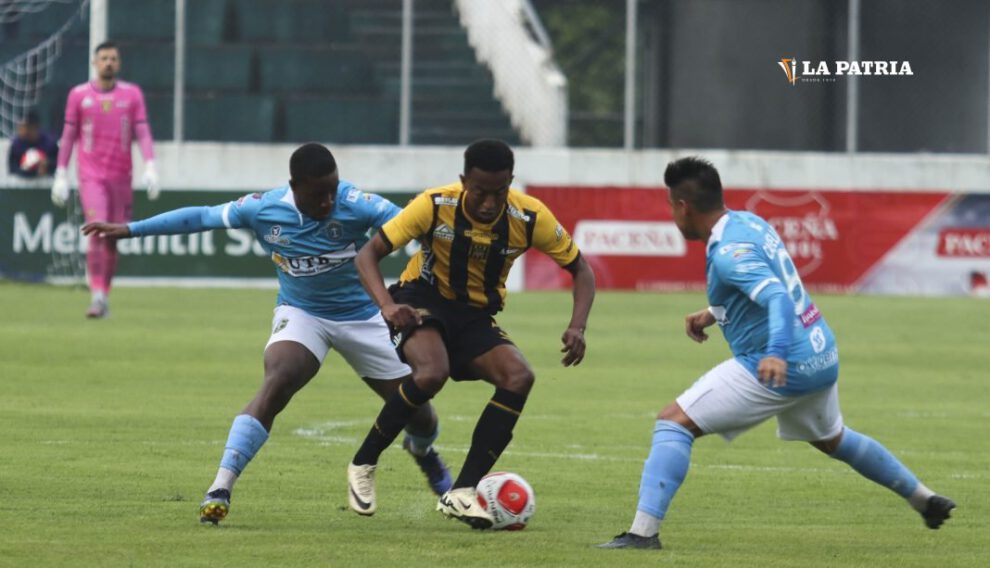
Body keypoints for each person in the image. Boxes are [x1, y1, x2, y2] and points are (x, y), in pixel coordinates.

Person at [81, 143, 452, 524]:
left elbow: (412, 225)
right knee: (279, 378)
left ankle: (424, 454)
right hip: (303, 313)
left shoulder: (356, 203)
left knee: (420, 416)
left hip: (366, 317)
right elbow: (202, 217)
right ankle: (220, 487)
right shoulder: (264, 208)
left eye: (333, 189)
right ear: (294, 186)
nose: (328, 201)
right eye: (317, 193)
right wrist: (131, 229)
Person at [596, 157, 956, 550]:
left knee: (673, 423)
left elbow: (776, 297)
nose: (672, 215)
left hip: (782, 363)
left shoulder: (727, 252)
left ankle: (642, 534)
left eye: (671, 205)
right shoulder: (748, 222)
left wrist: (776, 353)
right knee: (833, 438)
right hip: (821, 353)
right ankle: (924, 499)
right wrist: (714, 314)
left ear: (683, 206)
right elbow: (769, 283)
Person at [347, 139, 597, 529]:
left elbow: (581, 269)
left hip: (476, 315)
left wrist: (577, 326)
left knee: (519, 377)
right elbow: (367, 255)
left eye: (498, 193)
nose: (487, 203)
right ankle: (364, 462)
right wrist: (387, 305)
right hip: (421, 297)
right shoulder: (433, 204)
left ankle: (461, 492)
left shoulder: (530, 217)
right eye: (479, 192)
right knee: (432, 372)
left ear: (510, 182)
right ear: (464, 181)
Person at [52, 40, 159, 319]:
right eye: (104, 58)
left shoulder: (132, 94)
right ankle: (96, 295)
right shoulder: (78, 95)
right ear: (94, 63)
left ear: (119, 63)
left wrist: (150, 165)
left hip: (121, 177)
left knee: (113, 237)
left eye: (113, 58)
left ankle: (104, 296)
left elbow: (143, 131)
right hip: (91, 177)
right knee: (97, 230)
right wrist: (61, 173)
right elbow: (69, 136)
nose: (108, 63)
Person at [7, 110, 59, 178]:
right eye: (19, 127)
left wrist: (47, 164)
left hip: (47, 184)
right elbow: (12, 168)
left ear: (34, 127)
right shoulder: (17, 144)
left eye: (24, 127)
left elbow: (59, 164)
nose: (20, 131)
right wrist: (26, 167)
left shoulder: (49, 143)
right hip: (22, 185)